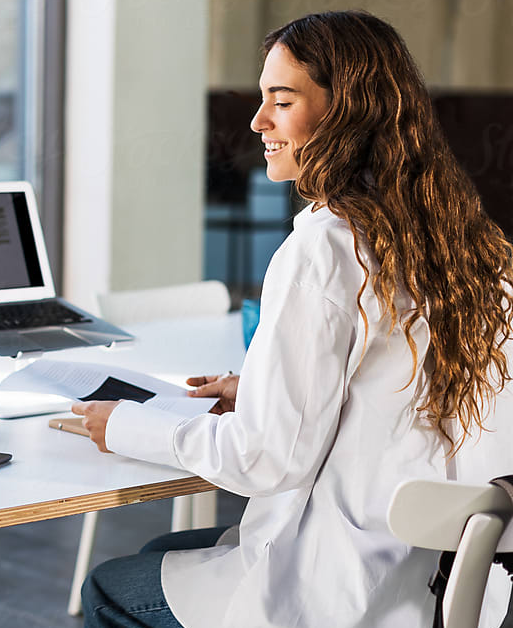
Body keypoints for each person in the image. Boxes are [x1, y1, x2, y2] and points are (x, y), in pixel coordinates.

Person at [70, 11, 513, 628]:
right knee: (160, 555)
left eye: (283, 101)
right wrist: (260, 391)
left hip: (348, 587)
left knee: (108, 589)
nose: (258, 122)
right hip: (441, 577)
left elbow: (266, 460)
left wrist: (125, 426)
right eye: (261, 99)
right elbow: (396, 400)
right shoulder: (461, 241)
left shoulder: (325, 248)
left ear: (347, 113)